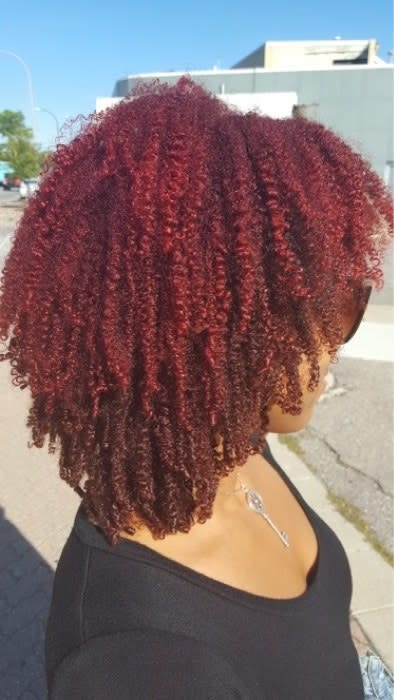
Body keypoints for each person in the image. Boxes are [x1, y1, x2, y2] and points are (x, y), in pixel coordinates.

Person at [0, 78, 392, 699]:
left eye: (349, 298)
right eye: (323, 308)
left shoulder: (234, 450)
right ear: (196, 333)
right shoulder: (134, 662)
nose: (336, 340)